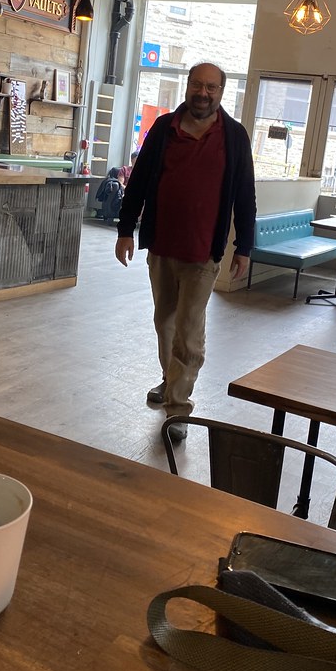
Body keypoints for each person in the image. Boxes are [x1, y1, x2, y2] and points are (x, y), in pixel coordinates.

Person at [115, 62, 256, 440]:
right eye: (198, 85)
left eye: (212, 87)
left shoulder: (234, 137)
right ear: (188, 86)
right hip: (162, 246)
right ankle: (170, 379)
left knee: (189, 330)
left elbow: (245, 194)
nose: (203, 93)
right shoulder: (164, 129)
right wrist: (125, 230)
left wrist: (244, 246)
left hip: (203, 253)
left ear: (221, 92)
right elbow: (138, 182)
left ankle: (178, 408)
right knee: (165, 321)